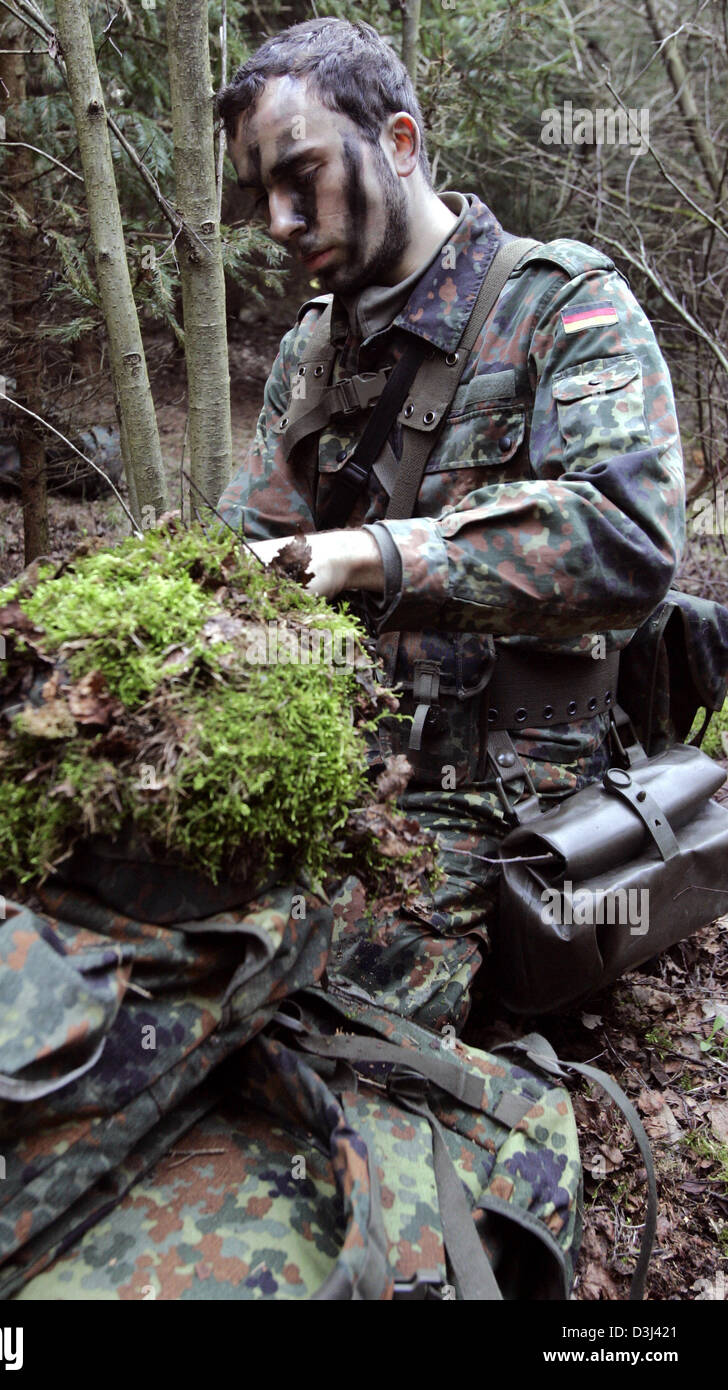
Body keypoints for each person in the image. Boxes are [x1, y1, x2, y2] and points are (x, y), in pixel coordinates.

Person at [214, 18, 686, 1033]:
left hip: (508, 796)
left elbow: (629, 537)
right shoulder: (311, 353)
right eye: (262, 194)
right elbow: (244, 556)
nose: (281, 221)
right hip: (337, 764)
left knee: (322, 1033)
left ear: (397, 140)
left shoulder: (564, 304)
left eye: (303, 175)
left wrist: (372, 555)